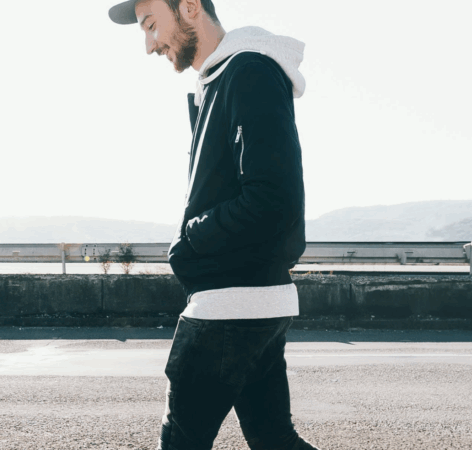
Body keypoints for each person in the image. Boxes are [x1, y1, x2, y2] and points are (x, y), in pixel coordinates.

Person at [109, 1, 319, 449]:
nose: (149, 45)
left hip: (227, 306)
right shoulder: (224, 80)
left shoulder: (249, 73)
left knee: (182, 442)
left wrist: (191, 238)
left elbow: (273, 199)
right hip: (255, 302)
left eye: (151, 25)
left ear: (188, 8)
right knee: (273, 439)